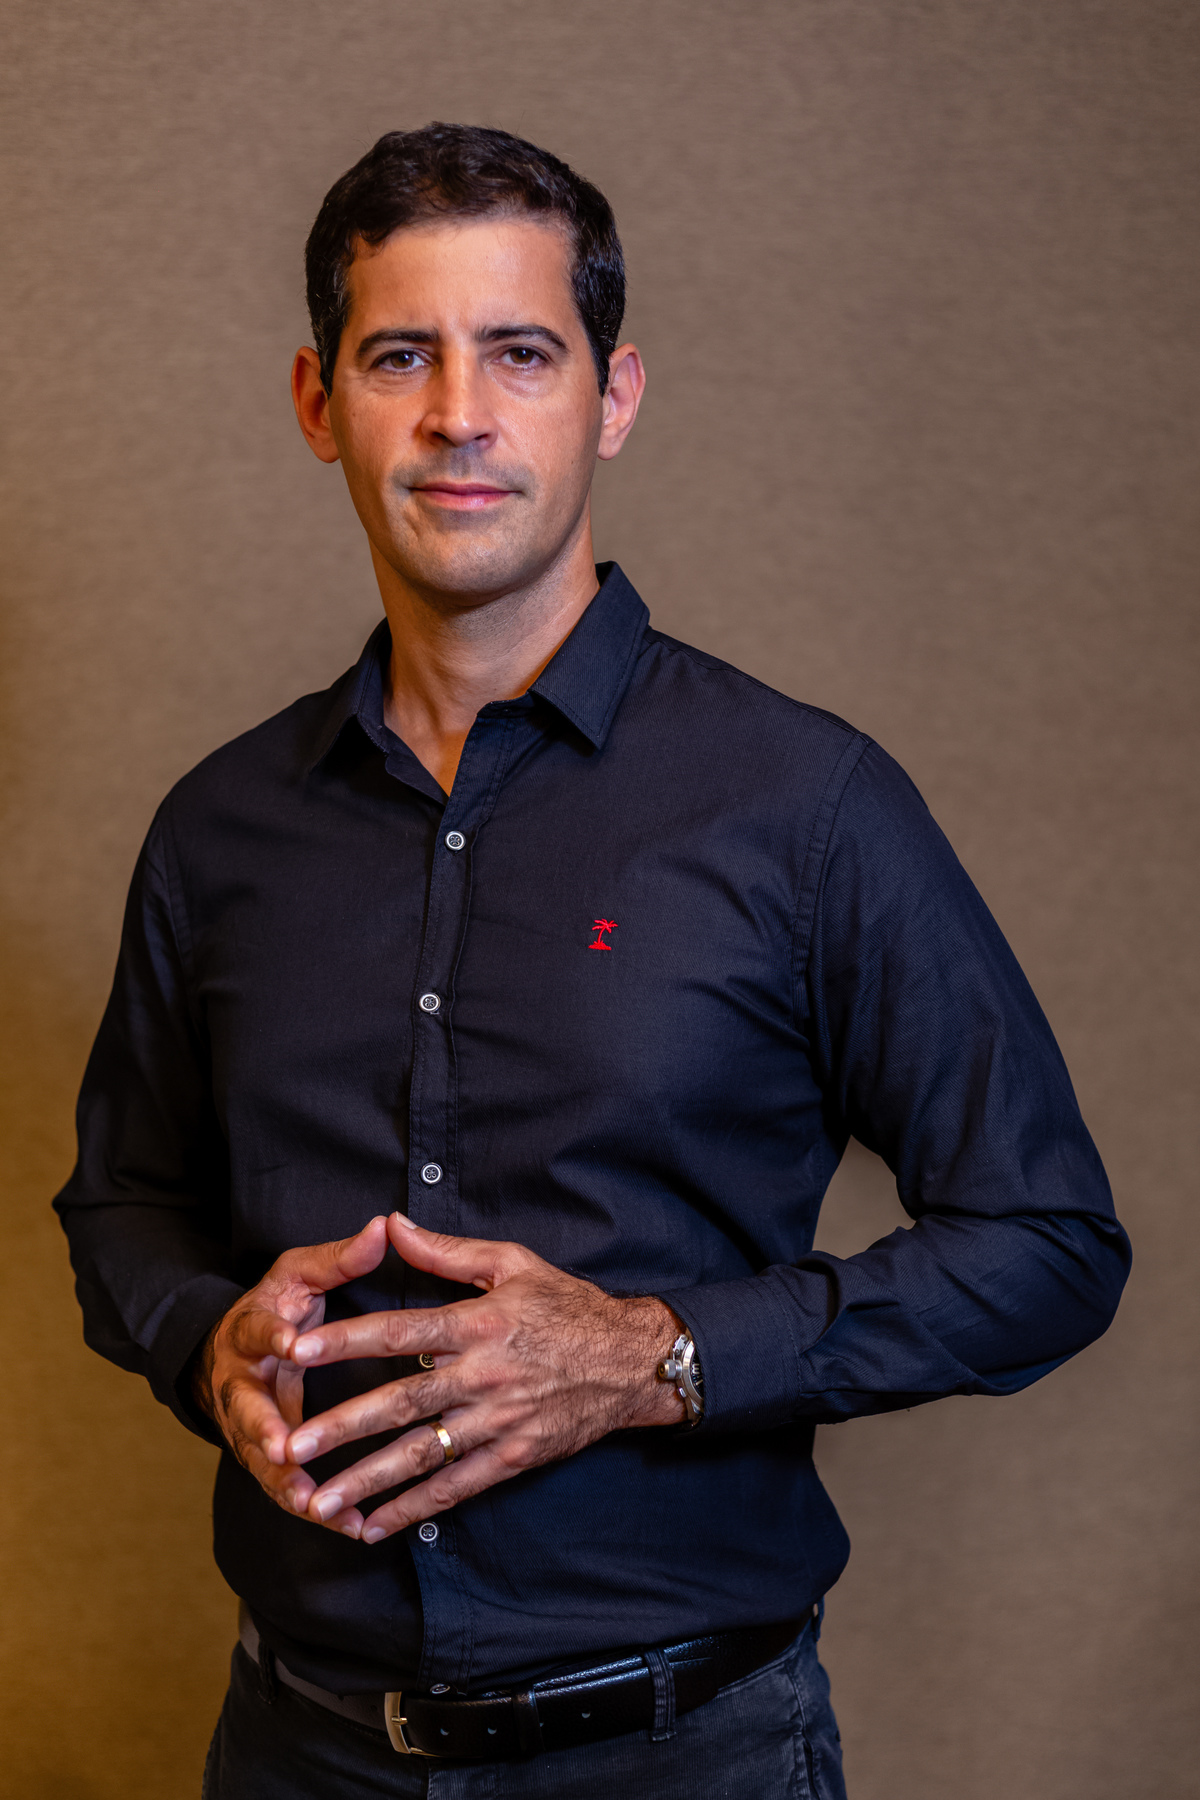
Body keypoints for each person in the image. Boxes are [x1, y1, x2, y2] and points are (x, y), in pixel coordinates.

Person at [55, 123, 1131, 1799]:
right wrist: (207, 1342)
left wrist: (654, 1358)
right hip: (296, 1749)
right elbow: (121, 1205)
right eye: (399, 356)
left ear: (612, 397)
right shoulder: (218, 830)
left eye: (521, 353)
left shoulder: (805, 807)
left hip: (689, 1758)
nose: (457, 414)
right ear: (318, 402)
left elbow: (1050, 1244)